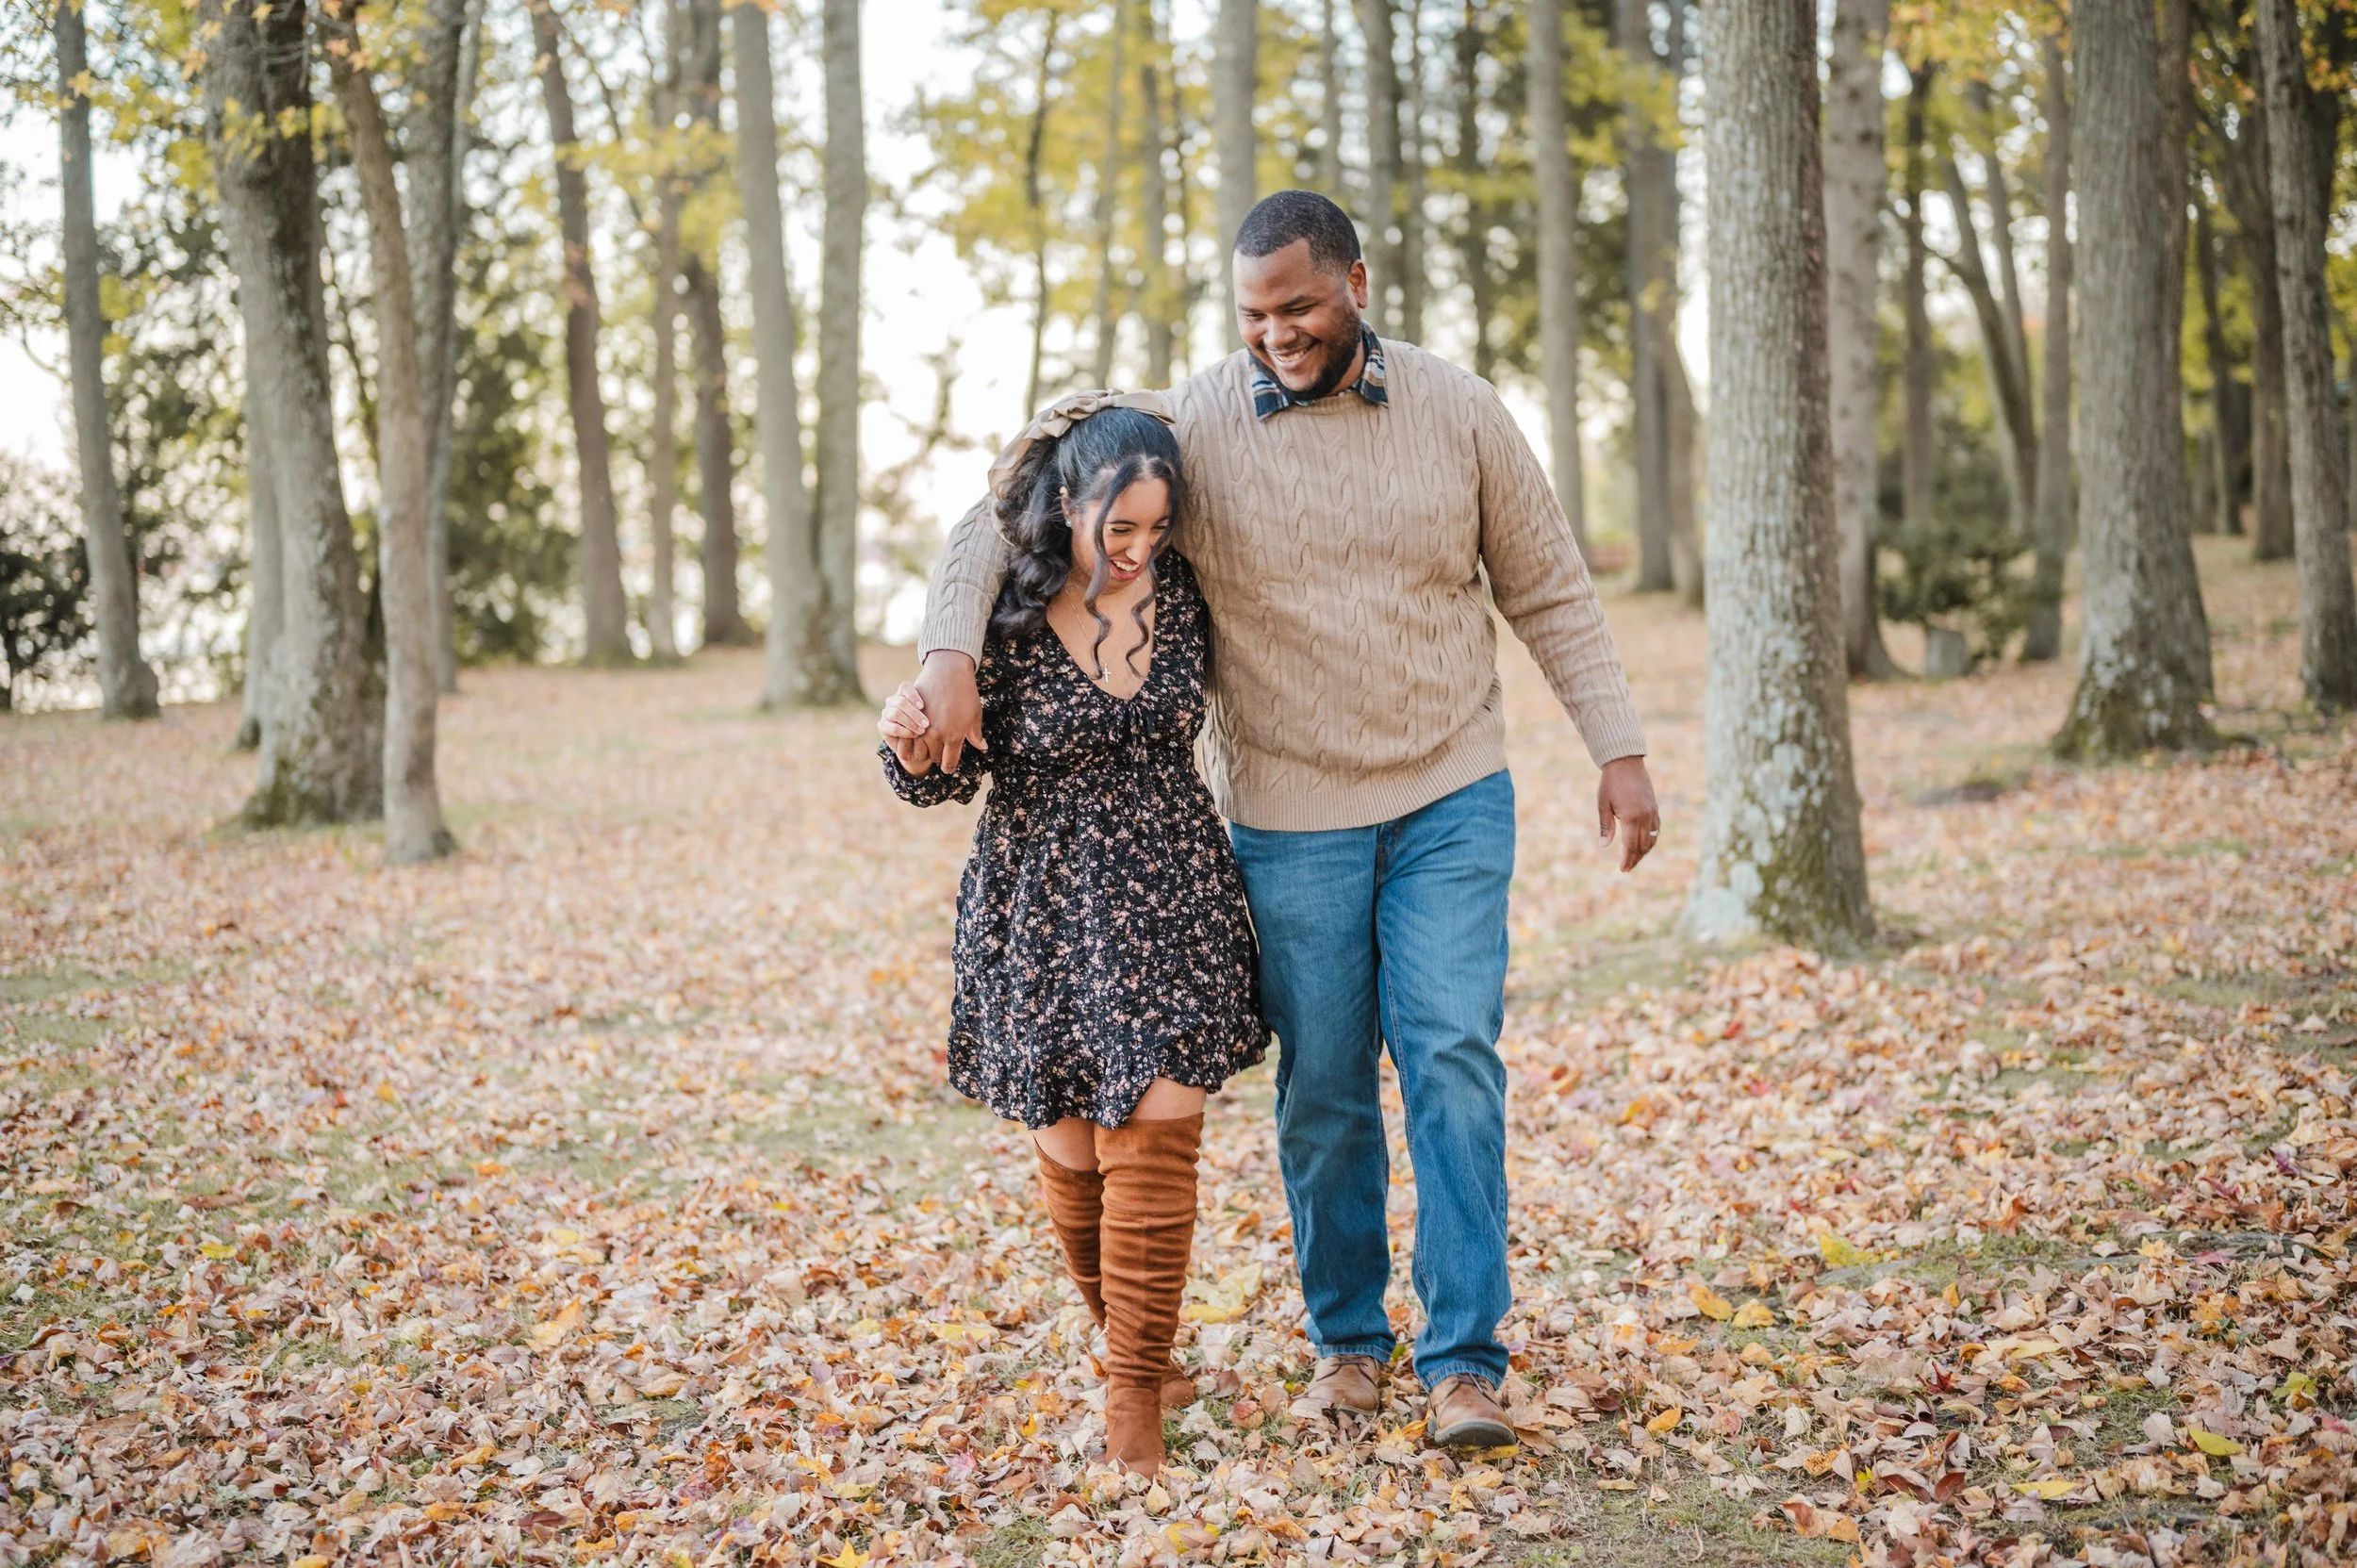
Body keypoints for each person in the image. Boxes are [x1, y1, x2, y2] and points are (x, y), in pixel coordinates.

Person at [895, 190, 1662, 1451]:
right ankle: (1349, 1343)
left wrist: (1617, 745)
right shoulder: (1195, 419)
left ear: (1358, 279)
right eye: (1254, 313)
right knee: (1323, 1091)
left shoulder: (1458, 407)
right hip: (1290, 812)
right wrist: (947, 652)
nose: (1277, 334)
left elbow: (1550, 584)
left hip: (1451, 790)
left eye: (1299, 305)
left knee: (1455, 1064)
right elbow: (1008, 507)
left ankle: (1464, 1361)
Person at [876, 396, 1267, 1477]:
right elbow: (935, 780)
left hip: (1171, 891)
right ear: (1065, 506)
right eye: (1119, 529)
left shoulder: (1184, 593)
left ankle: (1133, 1397)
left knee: (1155, 1138)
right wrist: (908, 739)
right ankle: (1124, 1339)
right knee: (1070, 1152)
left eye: (1157, 528)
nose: (1141, 551)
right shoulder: (998, 610)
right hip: (1040, 905)